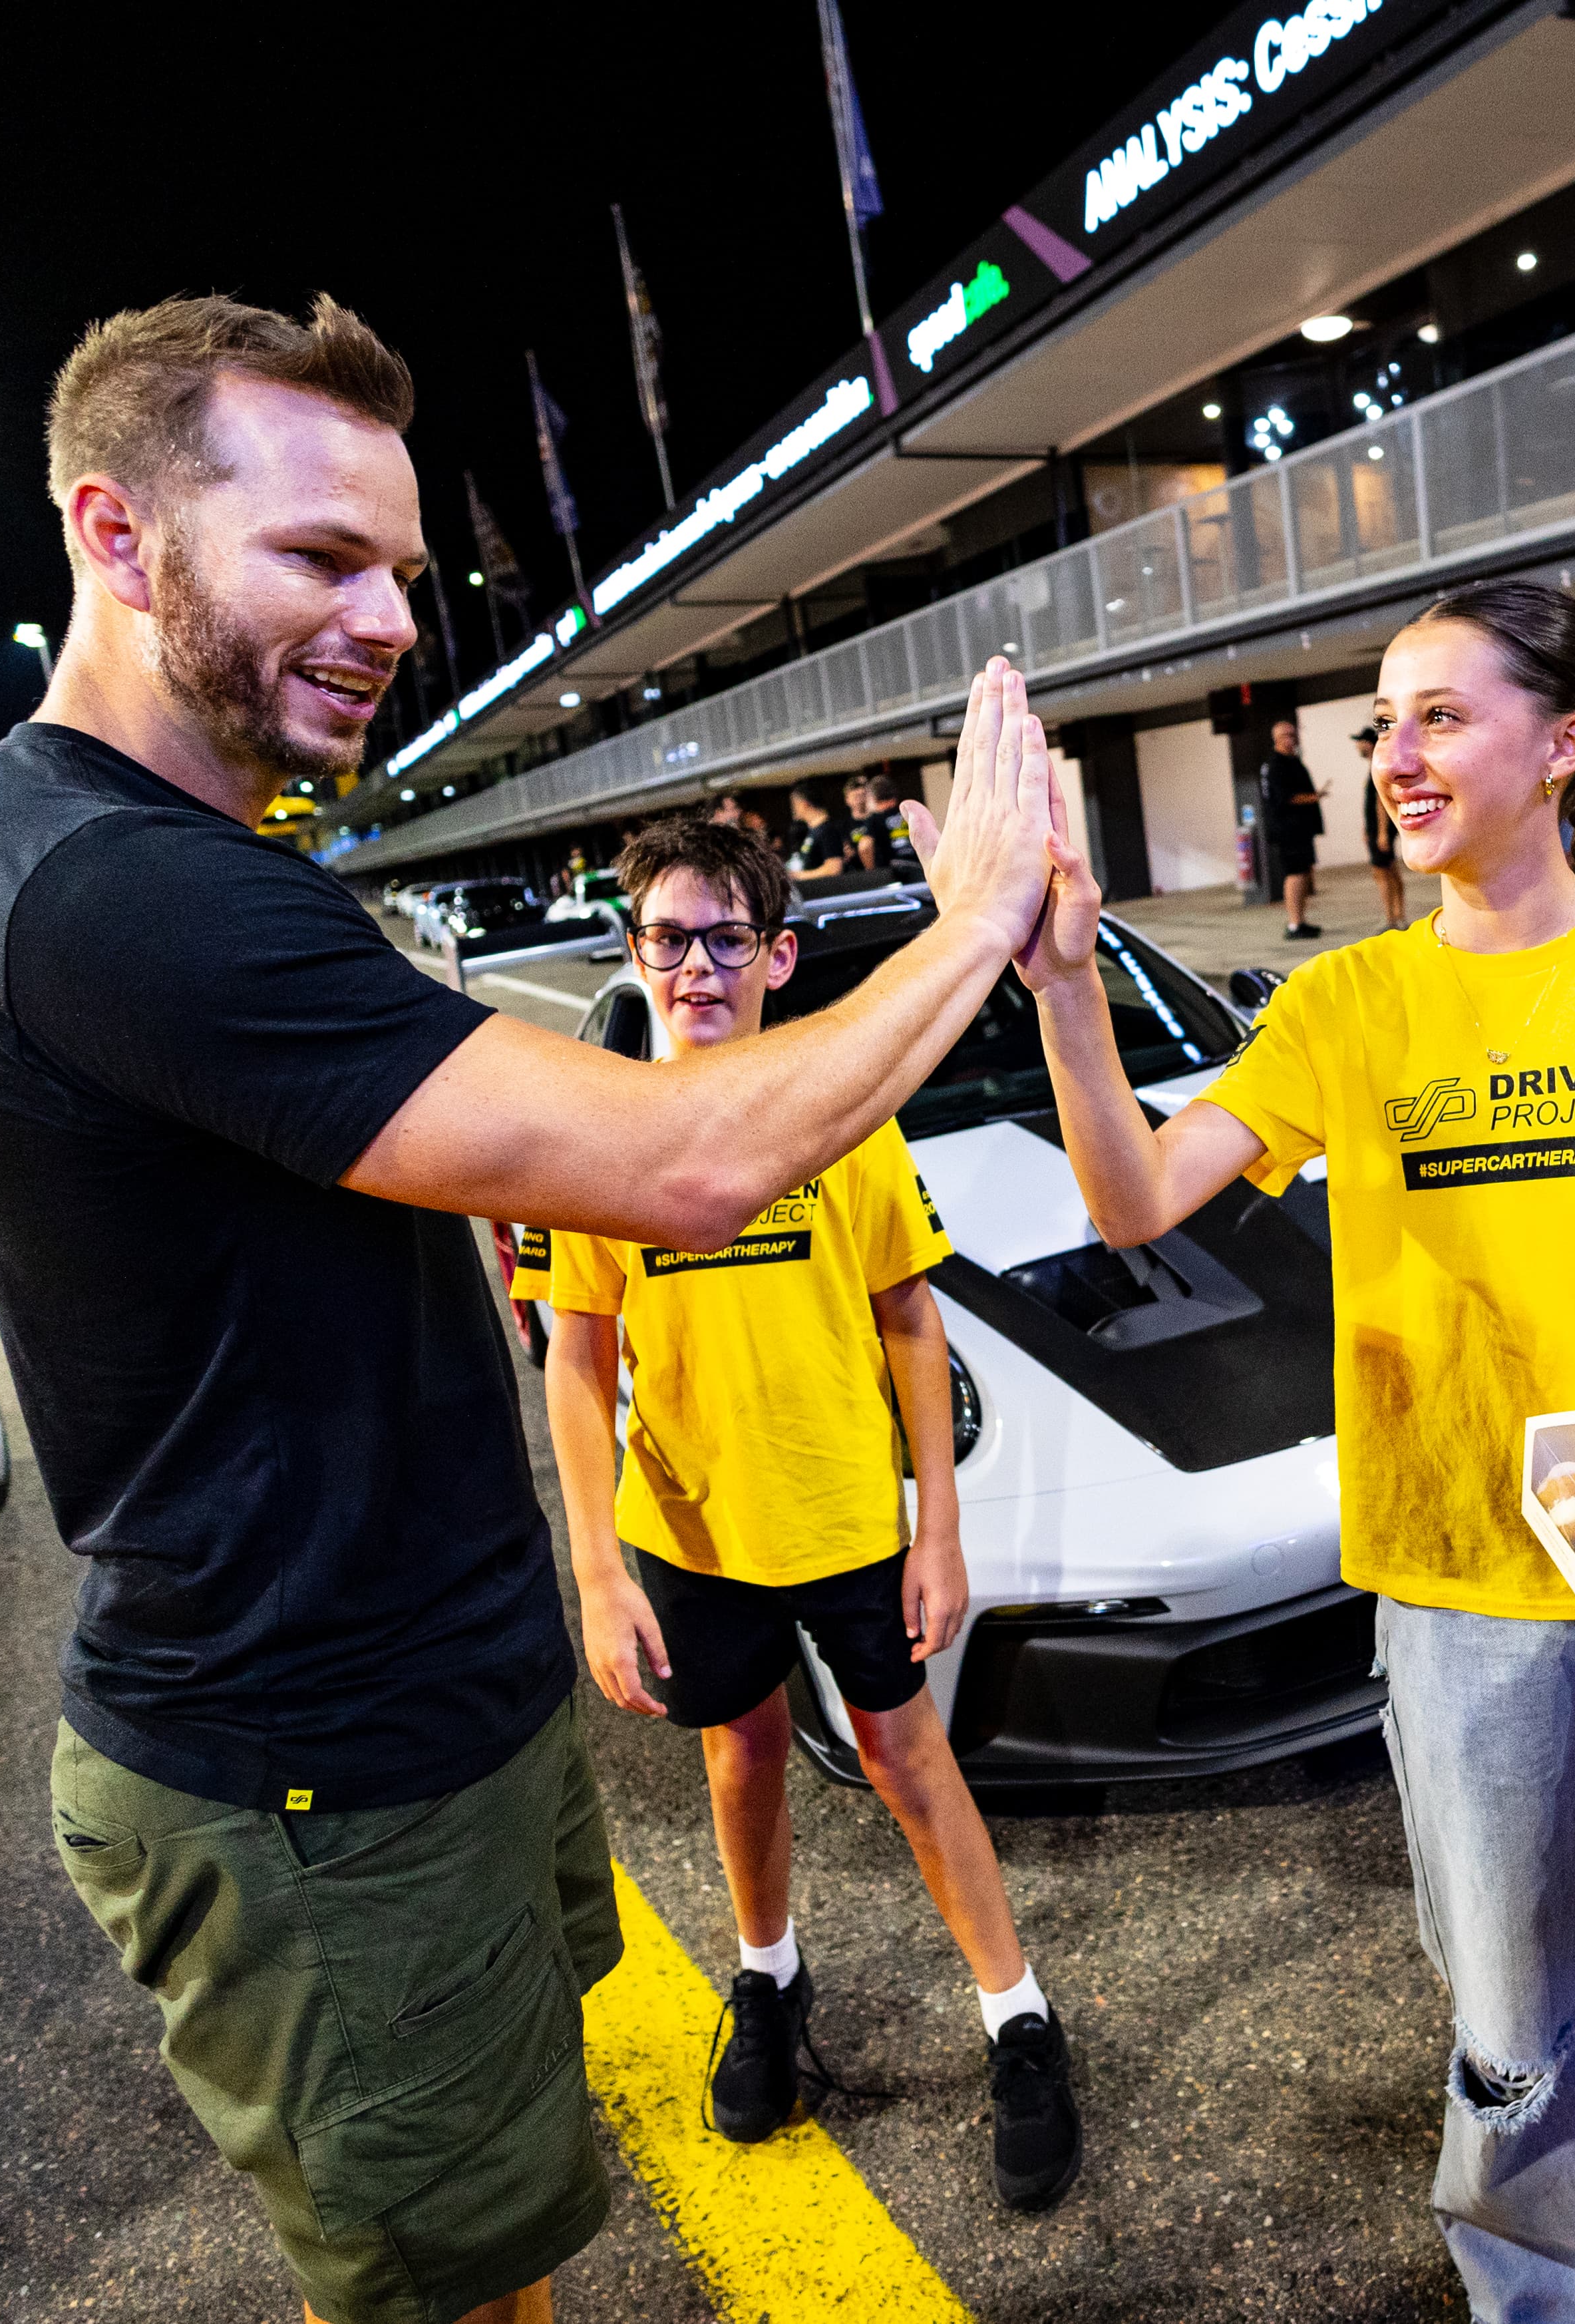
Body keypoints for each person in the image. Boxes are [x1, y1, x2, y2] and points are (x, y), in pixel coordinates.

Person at [0, 293, 1063, 2324]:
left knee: (500, 2231)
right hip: (311, 1772)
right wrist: (972, 917)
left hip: (409, 1721)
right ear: (116, 535)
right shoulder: (119, 893)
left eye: (404, 572)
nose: (384, 618)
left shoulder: (165, 854)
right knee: (452, 2275)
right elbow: (682, 1167)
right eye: (318, 557)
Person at [1020, 578, 1575, 2323]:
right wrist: (1069, 991)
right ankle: (1528, 2292)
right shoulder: (1342, 1006)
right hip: (1455, 1586)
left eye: (1442, 715)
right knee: (1502, 2028)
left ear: (1564, 744)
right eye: (1384, 723)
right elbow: (1131, 1194)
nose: (1396, 754)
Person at [536, 815, 1082, 2212]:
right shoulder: (599, 1138)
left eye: (727, 939)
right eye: (669, 938)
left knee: (907, 1758)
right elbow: (579, 1355)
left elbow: (911, 1320)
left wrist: (940, 1524)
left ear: (778, 956)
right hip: (694, 1534)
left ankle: (1017, 2014)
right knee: (742, 1759)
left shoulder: (843, 1118)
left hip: (846, 1516)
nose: (698, 967)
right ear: (636, 953)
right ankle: (770, 1982)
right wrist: (597, 1568)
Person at [1258, 715, 1327, 937]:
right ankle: (1295, 924)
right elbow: (1284, 797)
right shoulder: (1276, 765)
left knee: (1304, 873)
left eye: (1293, 735)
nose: (1291, 739)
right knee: (1295, 874)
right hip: (1288, 830)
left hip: (1300, 829)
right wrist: (1313, 797)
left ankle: (1301, 921)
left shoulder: (1292, 762)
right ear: (1276, 739)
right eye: (1286, 736)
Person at [1355, 720, 1411, 930]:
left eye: (1360, 742)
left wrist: (1382, 833)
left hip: (1381, 830)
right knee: (1390, 871)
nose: (1358, 746)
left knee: (1382, 873)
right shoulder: (1373, 768)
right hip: (1376, 830)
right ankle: (1398, 916)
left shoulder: (1377, 768)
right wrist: (1366, 829)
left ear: (1370, 744)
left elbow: (1380, 804)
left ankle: (1391, 919)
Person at [787, 778, 852, 874]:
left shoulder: (827, 831)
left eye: (795, 804)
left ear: (805, 804)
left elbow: (834, 868)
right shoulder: (813, 831)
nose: (793, 809)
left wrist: (799, 876)